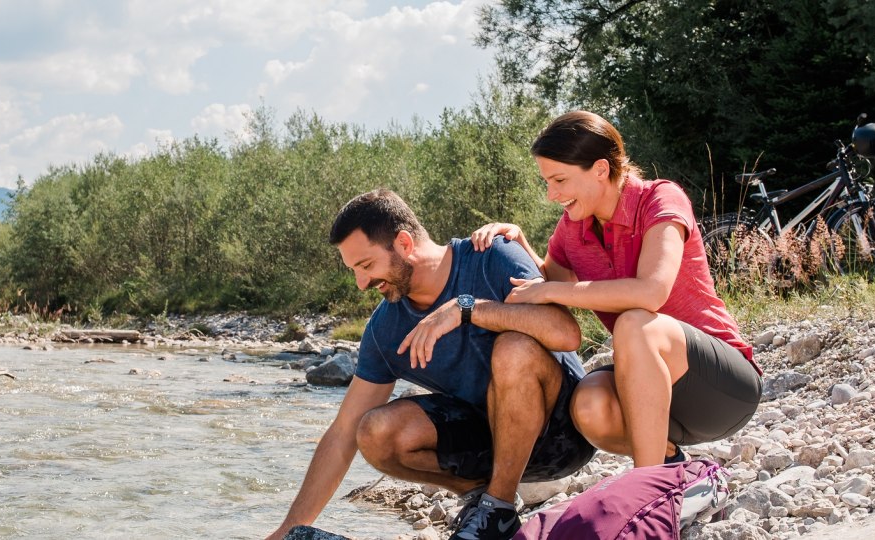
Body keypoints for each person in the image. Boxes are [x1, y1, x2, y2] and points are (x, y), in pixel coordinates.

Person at [267, 189, 596, 540]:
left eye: (365, 266)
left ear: (404, 243)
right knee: (373, 430)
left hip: (562, 435)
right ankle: (482, 500)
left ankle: (496, 509)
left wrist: (467, 309)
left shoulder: (491, 256)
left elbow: (565, 333)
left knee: (513, 347)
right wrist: (288, 530)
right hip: (489, 443)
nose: (362, 283)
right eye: (354, 271)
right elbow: (344, 432)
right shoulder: (386, 328)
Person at [470, 110, 760, 471]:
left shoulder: (660, 199)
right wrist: (517, 239)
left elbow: (651, 292)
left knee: (634, 323)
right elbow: (550, 284)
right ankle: (674, 470)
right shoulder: (571, 229)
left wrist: (549, 292)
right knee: (588, 404)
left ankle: (647, 489)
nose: (551, 194)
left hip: (724, 391)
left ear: (601, 170)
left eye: (559, 180)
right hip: (656, 401)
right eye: (547, 182)